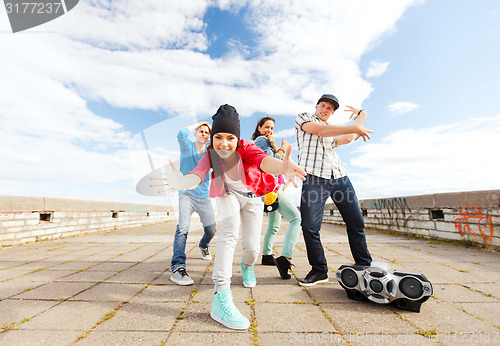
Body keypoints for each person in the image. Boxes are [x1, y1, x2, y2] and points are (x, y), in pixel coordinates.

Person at [151, 104, 306, 330]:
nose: (224, 143)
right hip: (227, 194)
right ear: (213, 138)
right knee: (230, 232)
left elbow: (264, 161)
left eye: (230, 138)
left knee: (252, 247)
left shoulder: (248, 148)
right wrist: (184, 182)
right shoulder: (211, 154)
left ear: (237, 139)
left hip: (252, 196)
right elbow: (198, 173)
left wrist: (283, 167)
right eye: (219, 137)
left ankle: (247, 266)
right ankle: (220, 295)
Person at [295, 94, 373, 287]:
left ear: (332, 113)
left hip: (339, 178)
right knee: (310, 226)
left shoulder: (332, 134)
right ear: (316, 106)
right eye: (323, 106)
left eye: (329, 109)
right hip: (314, 179)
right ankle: (319, 270)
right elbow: (320, 130)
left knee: (356, 222)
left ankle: (363, 264)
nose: (325, 110)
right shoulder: (304, 118)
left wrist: (362, 114)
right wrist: (355, 126)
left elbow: (347, 137)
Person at [252, 117, 301, 280]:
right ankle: (285, 259)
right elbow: (267, 162)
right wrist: (280, 149)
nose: (269, 131)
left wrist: (276, 147)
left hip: (271, 187)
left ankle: (267, 255)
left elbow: (280, 165)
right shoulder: (261, 140)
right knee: (296, 219)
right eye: (266, 127)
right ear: (259, 128)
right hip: (268, 186)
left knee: (274, 225)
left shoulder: (266, 141)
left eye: (272, 128)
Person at [170, 122, 216, 286]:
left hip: (204, 196)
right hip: (186, 195)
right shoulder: (186, 147)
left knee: (211, 229)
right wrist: (200, 123)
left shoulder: (209, 152)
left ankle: (204, 245)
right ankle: (177, 267)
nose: (203, 134)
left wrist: (213, 128)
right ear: (196, 133)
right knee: (183, 228)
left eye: (206, 132)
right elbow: (181, 133)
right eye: (201, 131)